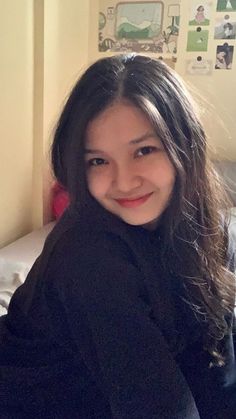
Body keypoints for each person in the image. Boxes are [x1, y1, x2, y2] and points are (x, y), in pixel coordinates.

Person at [0, 54, 235, 418]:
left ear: (185, 148)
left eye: (144, 150)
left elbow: (216, 356)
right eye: (98, 161)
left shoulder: (206, 228)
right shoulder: (88, 258)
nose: (123, 182)